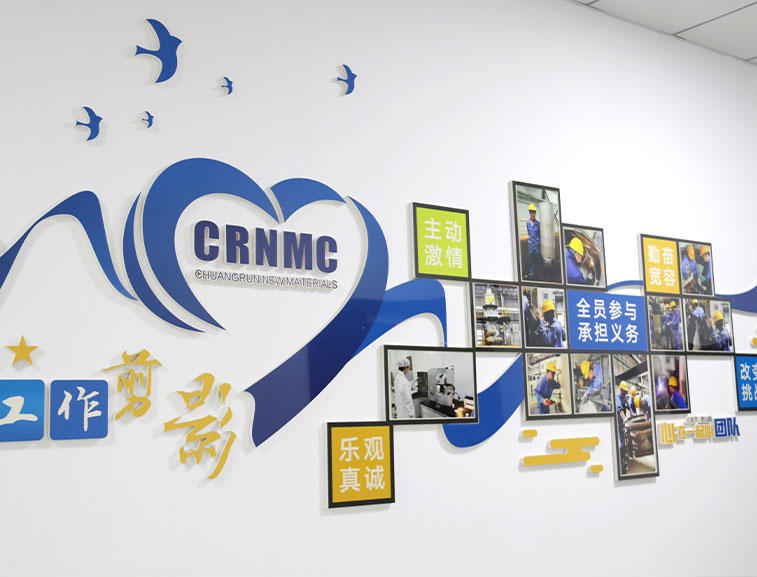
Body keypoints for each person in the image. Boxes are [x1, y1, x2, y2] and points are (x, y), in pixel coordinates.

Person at [616, 381, 633, 472]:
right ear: (621, 389)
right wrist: (625, 419)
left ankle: (624, 457)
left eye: (626, 392)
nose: (625, 393)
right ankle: (621, 462)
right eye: (624, 391)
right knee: (620, 444)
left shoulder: (624, 397)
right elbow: (620, 410)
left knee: (623, 441)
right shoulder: (617, 397)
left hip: (622, 424)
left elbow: (628, 406)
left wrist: (633, 414)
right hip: (618, 423)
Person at [526, 203, 541, 279]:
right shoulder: (527, 223)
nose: (532, 214)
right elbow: (529, 233)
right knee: (531, 260)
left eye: (533, 212)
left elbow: (539, 234)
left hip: (537, 245)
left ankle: (538, 273)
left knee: (537, 260)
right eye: (531, 212)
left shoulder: (538, 223)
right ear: (529, 213)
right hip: (531, 245)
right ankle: (532, 273)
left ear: (535, 213)